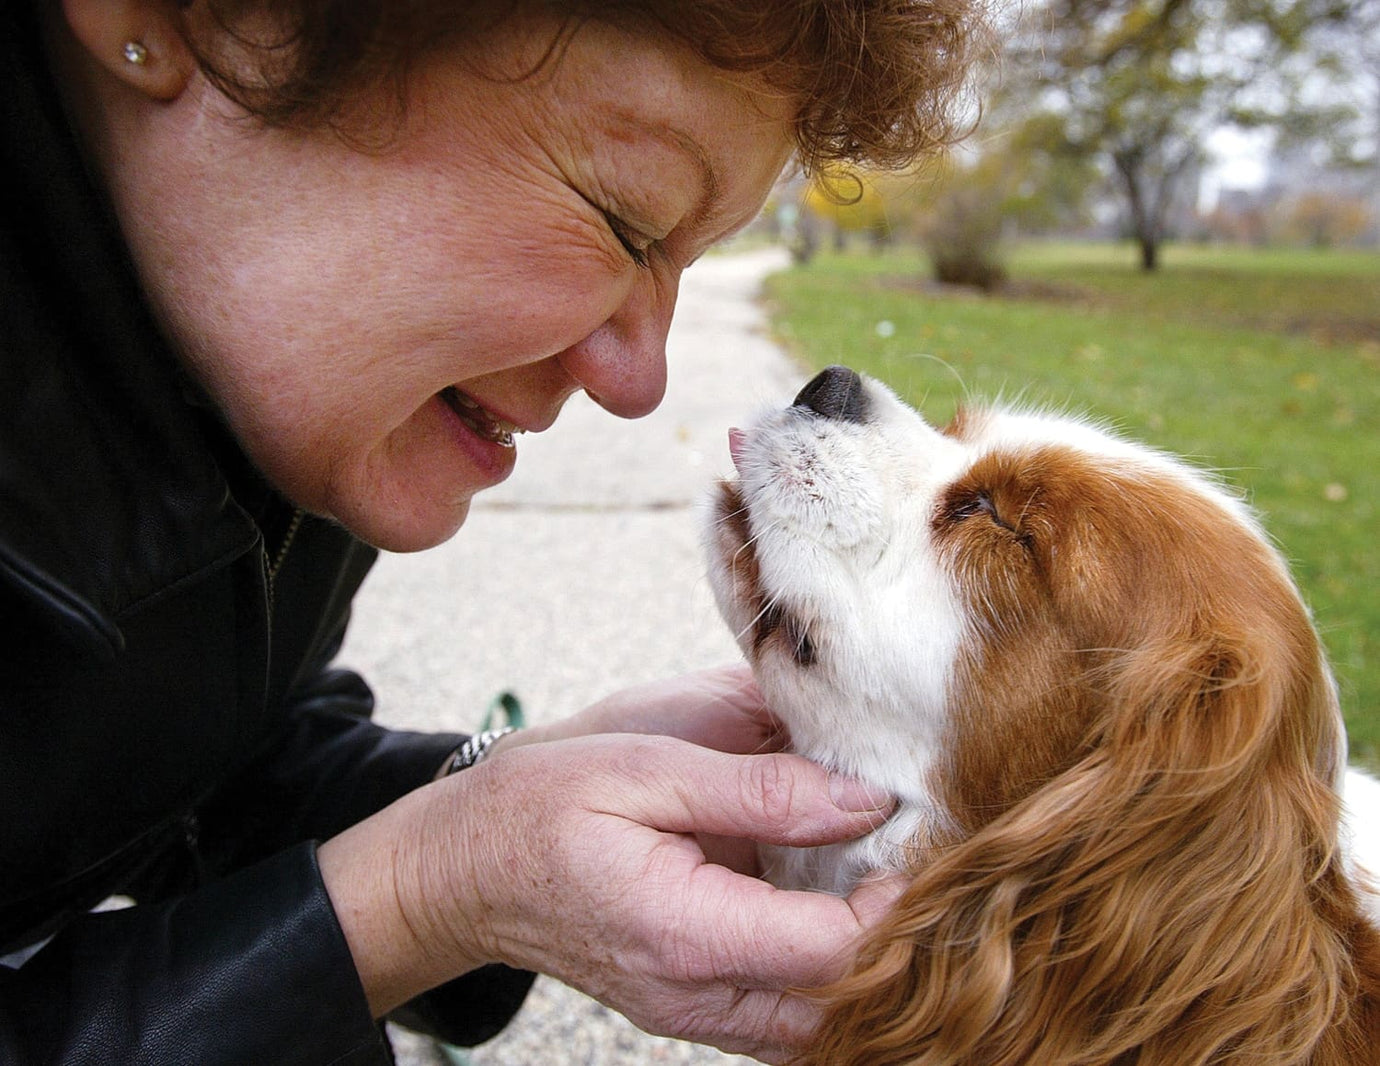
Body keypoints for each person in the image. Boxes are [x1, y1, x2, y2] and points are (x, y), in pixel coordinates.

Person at [0, 1, 982, 1062]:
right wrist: (426, 897)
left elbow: (192, 760)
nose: (637, 379)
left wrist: (518, 793)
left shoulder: (255, 370)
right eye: (623, 218)